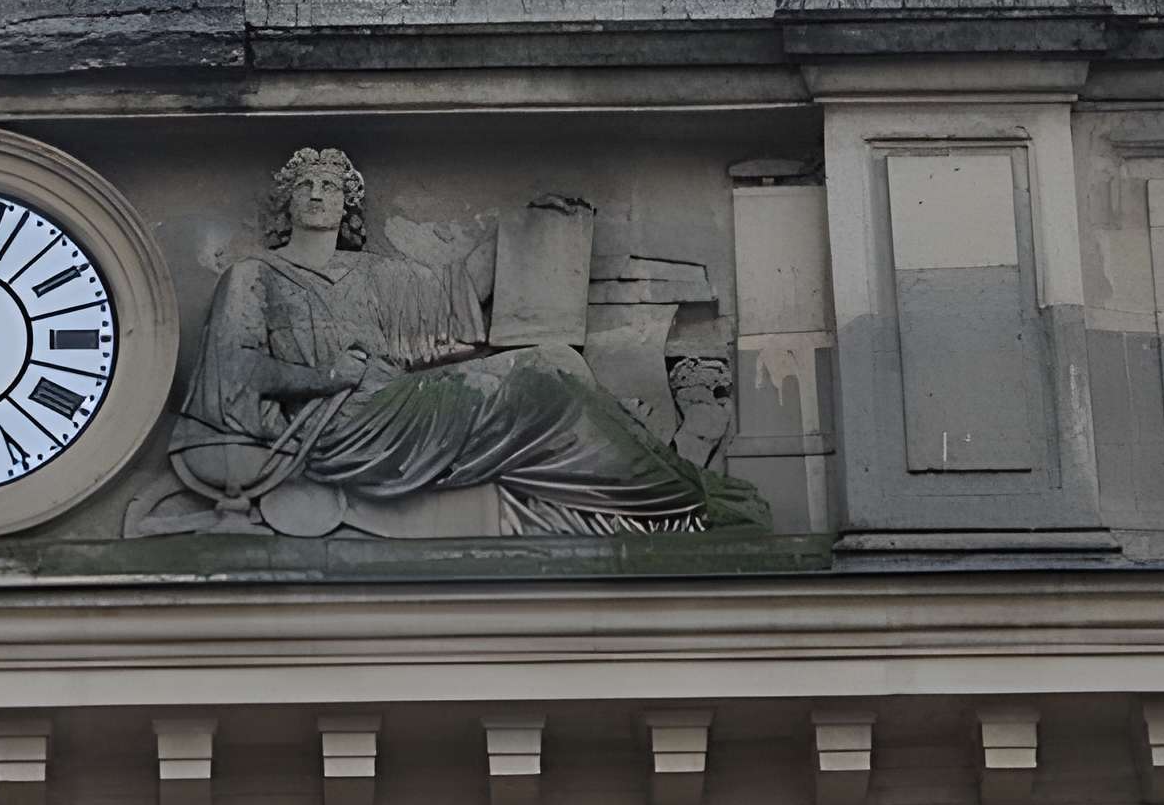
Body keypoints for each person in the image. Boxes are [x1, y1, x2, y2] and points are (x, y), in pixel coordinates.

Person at [167, 147, 764, 535]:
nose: (319, 195)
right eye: (306, 186)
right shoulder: (254, 276)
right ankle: (678, 503)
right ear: (287, 202)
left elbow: (452, 299)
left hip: (396, 405)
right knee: (542, 381)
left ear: (348, 204)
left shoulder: (375, 274)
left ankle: (675, 491)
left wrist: (528, 229)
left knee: (555, 363)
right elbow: (234, 371)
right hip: (337, 426)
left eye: (331, 186)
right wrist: (329, 378)